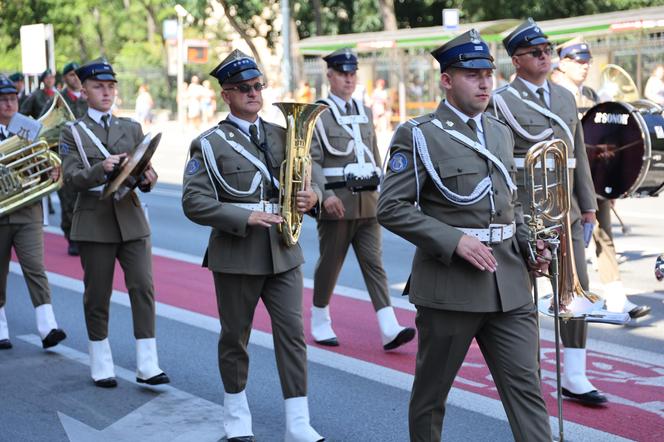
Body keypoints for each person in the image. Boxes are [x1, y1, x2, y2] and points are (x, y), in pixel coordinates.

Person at [377, 30, 552, 442]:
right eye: (472, 74)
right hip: (451, 287)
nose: (484, 82)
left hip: (509, 283)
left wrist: (529, 243)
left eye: (488, 73)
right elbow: (391, 208)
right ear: (447, 80)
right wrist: (453, 240)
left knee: (527, 391)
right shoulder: (419, 134)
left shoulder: (499, 131)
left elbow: (511, 203)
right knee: (432, 396)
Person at [181, 49, 324, 442]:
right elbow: (193, 201)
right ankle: (236, 418)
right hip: (237, 253)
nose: (254, 94)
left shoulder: (284, 134)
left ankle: (297, 422)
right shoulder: (208, 144)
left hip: (283, 250)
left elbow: (312, 174)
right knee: (235, 337)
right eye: (244, 88)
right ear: (226, 94)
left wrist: (313, 197)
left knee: (293, 336)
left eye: (258, 86)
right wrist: (243, 217)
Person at [492, 18, 606, 406]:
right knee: (524, 298)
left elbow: (578, 156)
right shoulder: (501, 101)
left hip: (566, 209)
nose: (545, 58)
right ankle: (529, 371)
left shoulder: (564, 98)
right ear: (516, 60)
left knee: (574, 289)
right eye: (535, 53)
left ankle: (575, 374)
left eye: (548, 51)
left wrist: (588, 205)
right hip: (526, 212)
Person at [59, 58, 168, 389]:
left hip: (132, 218)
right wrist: (100, 169)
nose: (106, 92)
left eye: (110, 87)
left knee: (143, 288)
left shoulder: (131, 127)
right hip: (94, 220)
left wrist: (148, 179)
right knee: (97, 294)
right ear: (84, 90)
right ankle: (100, 361)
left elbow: (142, 172)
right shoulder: (72, 131)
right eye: (98, 86)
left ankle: (148, 363)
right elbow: (71, 178)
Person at [309, 47, 415, 350]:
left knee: (374, 263)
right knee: (331, 263)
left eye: (353, 73)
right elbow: (312, 160)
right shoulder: (319, 112)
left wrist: (386, 190)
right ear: (329, 75)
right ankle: (320, 318)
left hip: (368, 199)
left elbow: (374, 152)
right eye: (343, 73)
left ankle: (388, 326)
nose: (349, 78)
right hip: (338, 200)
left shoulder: (364, 109)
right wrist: (324, 195)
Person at [553, 37, 651, 319]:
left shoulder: (593, 97)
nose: (585, 67)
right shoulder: (557, 96)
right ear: (564, 63)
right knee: (567, 241)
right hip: (567, 182)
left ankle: (617, 298)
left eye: (587, 62)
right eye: (578, 61)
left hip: (595, 179)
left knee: (604, 236)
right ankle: (571, 296)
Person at [0, 75, 67, 351]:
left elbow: (46, 157)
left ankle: (47, 326)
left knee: (35, 268)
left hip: (27, 210)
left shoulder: (28, 127)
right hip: (1, 215)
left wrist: (53, 169)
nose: (9, 104)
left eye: (12, 99)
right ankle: (0, 329)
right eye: (3, 100)